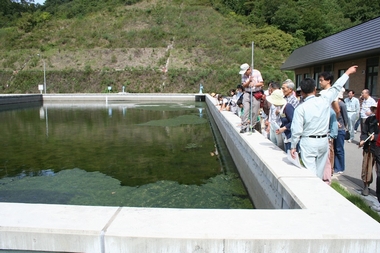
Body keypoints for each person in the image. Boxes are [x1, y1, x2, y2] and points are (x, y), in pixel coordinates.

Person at [290, 66, 357, 179]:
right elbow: (336, 87)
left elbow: (296, 130)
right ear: (315, 89)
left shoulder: (300, 109)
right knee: (319, 173)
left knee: (309, 173)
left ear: (301, 92)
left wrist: (293, 146)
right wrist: (347, 73)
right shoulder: (324, 100)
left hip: (308, 141)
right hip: (323, 141)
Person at [359, 104, 378, 197]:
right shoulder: (369, 120)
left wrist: (376, 137)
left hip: (378, 147)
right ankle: (366, 185)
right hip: (369, 147)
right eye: (375, 109)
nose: (376, 111)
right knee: (367, 167)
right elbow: (364, 132)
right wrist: (363, 139)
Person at [238, 63, 264, 133]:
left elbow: (261, 83)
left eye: (246, 72)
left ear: (249, 69)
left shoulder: (257, 72)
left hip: (256, 93)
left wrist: (254, 84)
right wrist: (249, 81)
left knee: (254, 111)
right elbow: (244, 85)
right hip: (247, 93)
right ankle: (244, 126)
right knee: (246, 109)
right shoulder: (243, 75)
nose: (245, 74)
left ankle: (252, 126)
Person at [333, 92, 349, 174]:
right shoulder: (332, 104)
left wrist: (345, 126)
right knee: (334, 148)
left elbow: (345, 117)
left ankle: (340, 167)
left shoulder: (342, 104)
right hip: (334, 129)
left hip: (340, 129)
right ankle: (335, 166)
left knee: (339, 149)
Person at [266, 82, 284, 150]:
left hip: (278, 124)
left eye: (272, 90)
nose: (270, 92)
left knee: (279, 143)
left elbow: (284, 113)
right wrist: (269, 124)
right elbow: (271, 113)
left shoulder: (281, 98)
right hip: (273, 123)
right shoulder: (273, 100)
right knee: (272, 141)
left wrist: (279, 112)